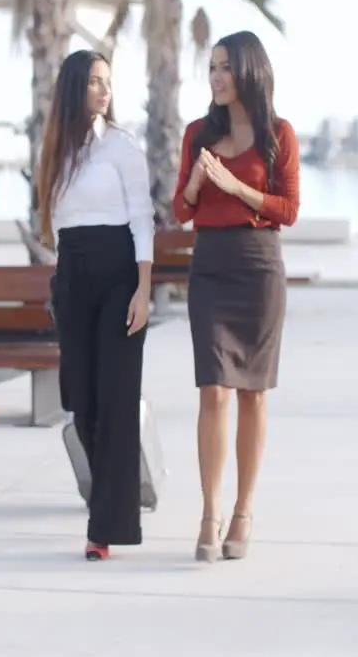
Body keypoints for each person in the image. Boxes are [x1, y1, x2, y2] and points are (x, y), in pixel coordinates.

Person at [173, 30, 300, 563]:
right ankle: (209, 512)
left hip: (259, 267)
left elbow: (288, 210)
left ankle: (244, 512)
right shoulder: (198, 132)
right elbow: (180, 211)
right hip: (211, 268)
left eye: (225, 67)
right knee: (213, 390)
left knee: (252, 393)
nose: (217, 77)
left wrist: (237, 187)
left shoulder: (279, 134)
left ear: (249, 70)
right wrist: (200, 184)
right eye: (211, 68)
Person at [39, 49, 154, 562]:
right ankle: (113, 495)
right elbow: (55, 227)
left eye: (107, 82)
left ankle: (105, 526)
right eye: (92, 82)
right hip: (73, 278)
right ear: (72, 89)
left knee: (116, 400)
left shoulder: (124, 148)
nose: (103, 91)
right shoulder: (55, 154)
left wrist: (144, 288)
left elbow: (143, 220)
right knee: (81, 401)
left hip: (120, 276)